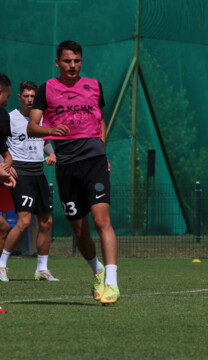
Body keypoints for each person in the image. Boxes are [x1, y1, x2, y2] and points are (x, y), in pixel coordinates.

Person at [27, 40, 119, 305]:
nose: (72, 65)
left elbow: (99, 118)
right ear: (58, 62)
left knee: (103, 221)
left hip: (94, 161)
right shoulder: (47, 88)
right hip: (67, 164)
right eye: (67, 61)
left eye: (77, 61)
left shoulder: (94, 85)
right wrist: (50, 131)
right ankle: (98, 272)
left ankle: (112, 283)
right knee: (80, 232)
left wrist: (103, 149)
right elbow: (33, 127)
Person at [0, 81, 59, 282]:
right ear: (19, 97)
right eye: (26, 96)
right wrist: (5, 167)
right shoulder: (9, 117)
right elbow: (1, 143)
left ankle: (42, 268)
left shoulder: (40, 117)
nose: (30, 99)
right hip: (21, 173)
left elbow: (46, 142)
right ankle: (1, 265)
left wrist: (51, 155)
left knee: (46, 221)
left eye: (33, 96)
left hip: (38, 173)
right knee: (24, 221)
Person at [0, 73, 18, 271]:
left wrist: (7, 168)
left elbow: (6, 154)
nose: (7, 100)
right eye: (7, 95)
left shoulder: (3, 115)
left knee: (3, 227)